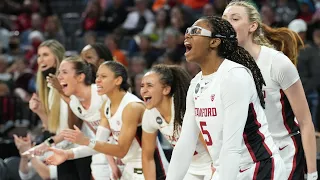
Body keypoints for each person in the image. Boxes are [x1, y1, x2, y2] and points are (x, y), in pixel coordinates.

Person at [166, 16, 285, 180]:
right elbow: (185, 144)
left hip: (257, 167)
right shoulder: (196, 83)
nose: (187, 35)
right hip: (227, 168)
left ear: (214, 42)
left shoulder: (234, 76)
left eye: (195, 31)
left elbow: (232, 146)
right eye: (187, 31)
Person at [222, 1, 317, 179]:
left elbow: (305, 121)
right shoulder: (223, 68)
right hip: (248, 156)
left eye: (234, 18)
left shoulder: (277, 63)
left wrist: (312, 173)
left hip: (284, 153)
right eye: (224, 19)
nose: (227, 23)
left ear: (252, 26)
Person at [46, 61, 168, 179]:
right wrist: (68, 154)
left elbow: (121, 150)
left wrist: (86, 141)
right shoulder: (106, 106)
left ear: (118, 80)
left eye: (103, 76)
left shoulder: (131, 107)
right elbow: (98, 143)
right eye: (97, 76)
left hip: (152, 169)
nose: (97, 80)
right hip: (129, 167)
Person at [28, 40, 92, 180]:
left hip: (81, 150)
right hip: (63, 150)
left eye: (45, 55)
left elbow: (73, 126)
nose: (41, 60)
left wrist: (48, 143)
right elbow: (52, 126)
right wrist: (39, 111)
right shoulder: (50, 88)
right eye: (39, 56)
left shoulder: (68, 85)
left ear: (57, 57)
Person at [141, 64, 213, 180]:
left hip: (211, 163)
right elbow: (147, 156)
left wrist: (219, 170)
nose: (144, 90)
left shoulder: (184, 109)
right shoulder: (150, 114)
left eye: (149, 85)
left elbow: (212, 147)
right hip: (188, 167)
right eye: (142, 85)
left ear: (166, 89)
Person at [52, 56, 118, 179]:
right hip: (106, 153)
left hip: (129, 152)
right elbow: (100, 140)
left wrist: (113, 163)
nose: (59, 76)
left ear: (80, 77)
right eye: (59, 72)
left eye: (64, 72)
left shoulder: (102, 95)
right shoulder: (76, 104)